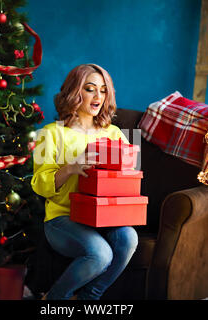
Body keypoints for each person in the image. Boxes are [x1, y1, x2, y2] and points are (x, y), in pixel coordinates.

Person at [31, 64, 138, 300]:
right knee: (100, 254)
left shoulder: (115, 134)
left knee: (129, 237)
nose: (98, 97)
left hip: (105, 218)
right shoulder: (49, 134)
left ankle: (89, 298)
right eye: (90, 89)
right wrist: (70, 168)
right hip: (62, 218)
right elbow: (39, 185)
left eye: (103, 90)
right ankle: (54, 299)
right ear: (74, 92)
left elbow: (129, 180)